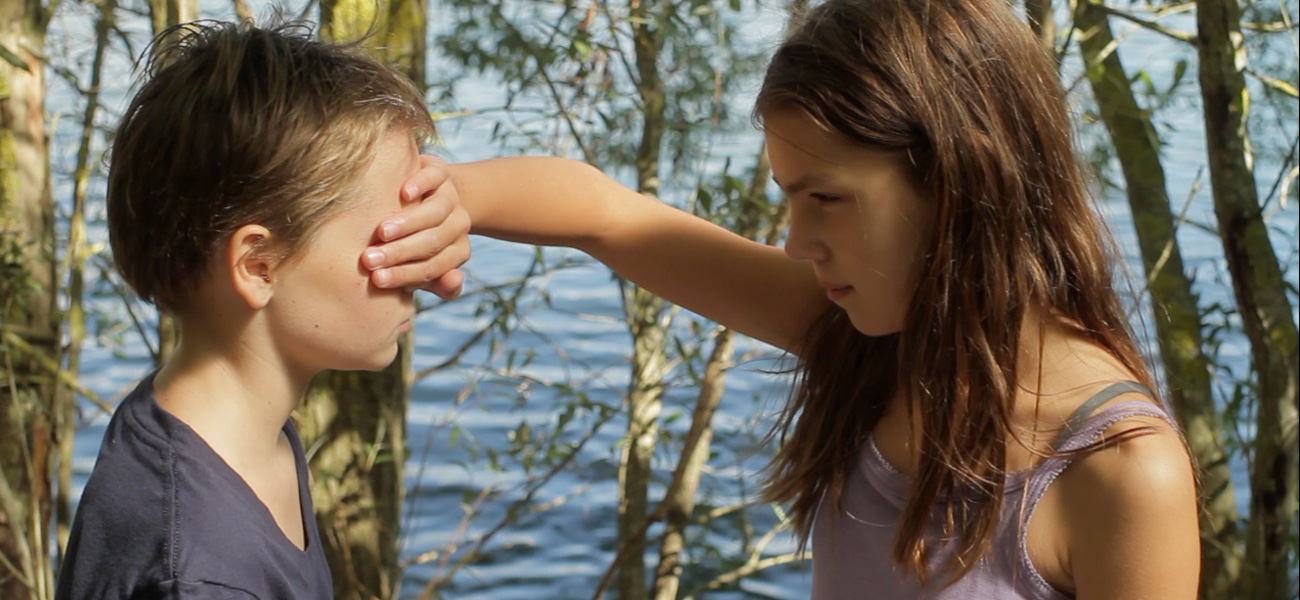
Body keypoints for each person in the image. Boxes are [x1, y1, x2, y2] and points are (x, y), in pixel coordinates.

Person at [367, 0, 1202, 597]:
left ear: (956, 180)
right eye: (787, 196)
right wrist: (440, 198)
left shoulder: (1120, 475)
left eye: (827, 198)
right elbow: (606, 216)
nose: (798, 242)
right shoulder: (870, 335)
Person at [56, 20, 468, 598]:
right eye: (392, 236)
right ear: (259, 266)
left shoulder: (230, 431)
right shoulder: (200, 573)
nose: (425, 267)